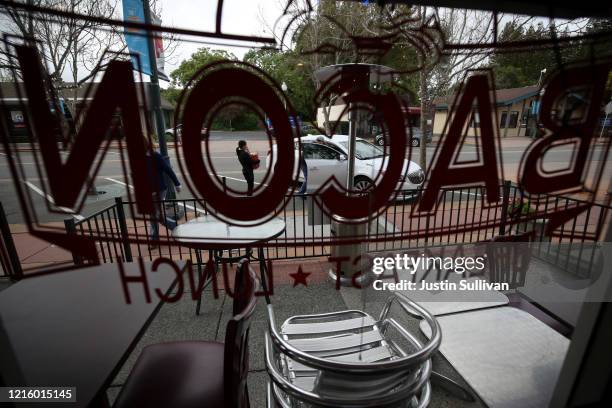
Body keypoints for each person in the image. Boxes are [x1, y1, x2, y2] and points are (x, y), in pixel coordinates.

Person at [146, 145, 182, 247]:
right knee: (154, 215)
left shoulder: (156, 156)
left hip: (159, 190)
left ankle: (175, 228)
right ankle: (155, 239)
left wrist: (177, 184)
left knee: (155, 215)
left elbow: (168, 169)